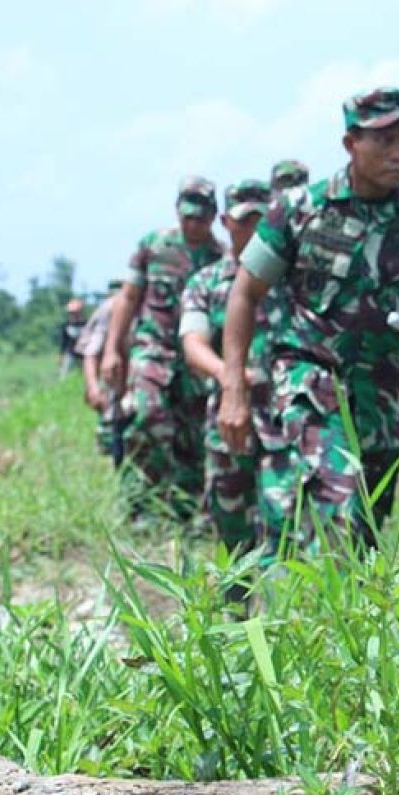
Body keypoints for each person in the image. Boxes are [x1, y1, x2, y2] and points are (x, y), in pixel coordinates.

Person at [218, 87, 399, 562]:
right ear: (351, 144)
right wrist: (232, 388)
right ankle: (318, 607)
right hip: (310, 374)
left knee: (368, 527)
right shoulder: (300, 209)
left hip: (381, 384)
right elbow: (244, 293)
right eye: (385, 141)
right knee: (338, 495)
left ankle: (343, 621)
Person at [100, 176, 226, 522]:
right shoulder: (153, 246)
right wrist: (113, 349)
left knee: (193, 433)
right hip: (152, 349)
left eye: (201, 218)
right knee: (147, 415)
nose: (193, 225)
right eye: (187, 217)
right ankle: (140, 502)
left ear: (214, 217)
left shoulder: (220, 257)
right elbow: (128, 298)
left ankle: (184, 506)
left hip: (195, 358)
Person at [179, 180, 280, 602]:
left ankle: (284, 621)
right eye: (244, 221)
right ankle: (236, 618)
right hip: (231, 415)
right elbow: (193, 344)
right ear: (226, 222)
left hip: (282, 417)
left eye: (261, 219)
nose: (253, 229)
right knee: (231, 520)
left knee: (284, 517)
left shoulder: (289, 279)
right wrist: (232, 376)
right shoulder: (206, 282)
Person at [76, 278, 129, 459]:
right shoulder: (109, 310)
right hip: (116, 383)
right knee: (115, 435)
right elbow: (91, 352)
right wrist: (93, 387)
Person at [58, 298, 86, 379]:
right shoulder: (66, 325)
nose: (73, 314)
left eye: (75, 312)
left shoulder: (86, 324)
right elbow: (63, 342)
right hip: (70, 353)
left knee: (86, 374)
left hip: (83, 354)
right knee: (64, 374)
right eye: (71, 313)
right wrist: (61, 355)